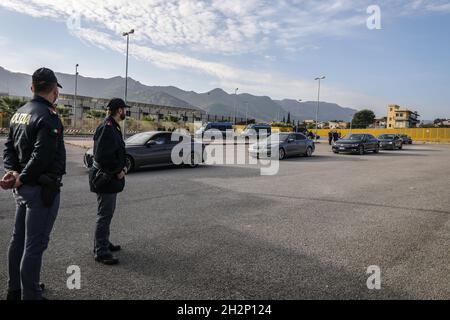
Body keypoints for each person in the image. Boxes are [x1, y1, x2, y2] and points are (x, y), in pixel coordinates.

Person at [1, 67, 66, 300]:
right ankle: (31, 295)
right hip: (40, 188)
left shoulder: (19, 113)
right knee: (34, 245)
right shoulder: (48, 116)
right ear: (54, 91)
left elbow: (8, 147)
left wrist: (12, 173)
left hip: (22, 188)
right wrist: (22, 176)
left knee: (18, 240)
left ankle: (15, 289)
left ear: (32, 88)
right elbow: (42, 155)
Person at [89, 98, 129, 265]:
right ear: (119, 110)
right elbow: (102, 156)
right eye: (124, 109)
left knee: (107, 213)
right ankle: (101, 251)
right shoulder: (108, 127)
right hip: (105, 178)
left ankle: (103, 243)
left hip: (108, 177)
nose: (125, 112)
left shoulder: (112, 125)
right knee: (104, 215)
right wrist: (118, 170)